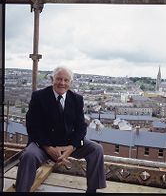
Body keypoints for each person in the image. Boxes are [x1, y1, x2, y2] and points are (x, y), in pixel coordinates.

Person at [15, 65, 106, 193]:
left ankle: (92, 190)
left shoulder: (77, 99)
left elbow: (81, 127)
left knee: (97, 149)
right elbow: (32, 126)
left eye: (66, 80)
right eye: (58, 79)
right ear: (52, 79)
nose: (62, 83)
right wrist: (48, 148)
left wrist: (71, 147)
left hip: (68, 143)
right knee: (28, 156)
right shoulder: (39, 96)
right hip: (43, 144)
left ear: (70, 82)